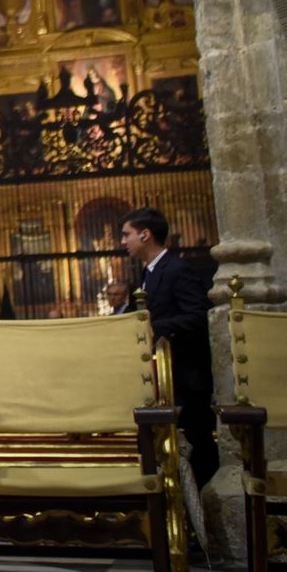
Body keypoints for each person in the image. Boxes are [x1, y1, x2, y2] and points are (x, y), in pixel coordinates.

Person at [122, 208, 218, 486]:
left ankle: (202, 502)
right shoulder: (148, 272)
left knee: (197, 439)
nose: (123, 241)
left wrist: (158, 327)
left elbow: (198, 315)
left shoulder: (177, 268)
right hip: (164, 375)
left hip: (186, 373)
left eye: (127, 234)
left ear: (145, 234)